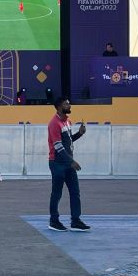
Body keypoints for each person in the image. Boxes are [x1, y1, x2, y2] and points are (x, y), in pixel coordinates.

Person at [47, 98, 91, 232]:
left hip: (67, 163)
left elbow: (69, 141)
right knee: (57, 193)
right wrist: (71, 161)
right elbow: (58, 146)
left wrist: (80, 134)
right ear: (59, 106)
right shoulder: (54, 123)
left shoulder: (67, 121)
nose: (69, 105)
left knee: (75, 192)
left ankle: (75, 221)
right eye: (66, 103)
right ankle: (54, 221)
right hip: (57, 163)